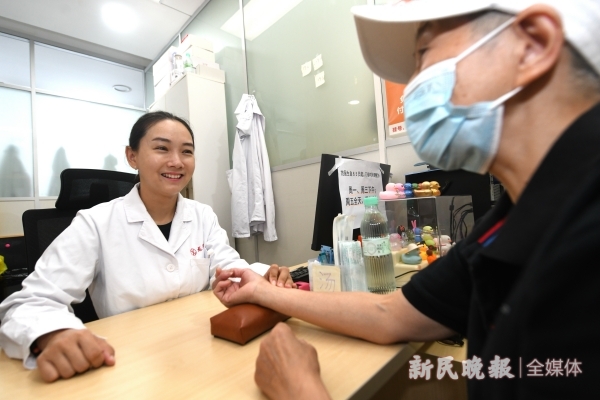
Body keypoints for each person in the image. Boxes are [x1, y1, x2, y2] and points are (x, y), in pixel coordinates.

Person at [212, 1, 600, 399]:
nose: (412, 88)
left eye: (424, 54)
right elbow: (392, 314)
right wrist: (263, 292)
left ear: (532, 45)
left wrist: (299, 389)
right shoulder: (508, 223)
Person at [0, 111, 294, 382]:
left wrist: (262, 278)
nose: (177, 161)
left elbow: (229, 267)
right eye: (162, 148)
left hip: (201, 349)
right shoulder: (95, 223)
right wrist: (53, 334)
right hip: (127, 366)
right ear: (132, 156)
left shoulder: (202, 215)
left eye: (187, 151)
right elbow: (28, 303)